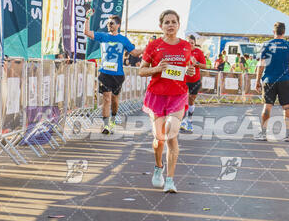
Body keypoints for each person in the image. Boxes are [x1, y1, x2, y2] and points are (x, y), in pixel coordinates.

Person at [139, 10, 195, 193]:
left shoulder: (187, 47)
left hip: (178, 96)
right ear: (161, 26)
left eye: (173, 22)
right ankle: (158, 167)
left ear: (179, 25)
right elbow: (141, 71)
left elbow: (189, 69)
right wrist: (156, 68)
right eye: (167, 22)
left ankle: (170, 180)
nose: (170, 25)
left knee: (171, 134)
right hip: (157, 95)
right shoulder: (154, 46)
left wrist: (190, 72)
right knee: (159, 139)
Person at [84, 12, 143, 134]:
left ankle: (114, 117)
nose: (108, 25)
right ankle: (106, 126)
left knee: (115, 100)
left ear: (118, 25)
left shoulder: (123, 39)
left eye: (111, 23)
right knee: (106, 99)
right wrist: (87, 18)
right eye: (107, 23)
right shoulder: (103, 36)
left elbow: (135, 53)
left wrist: (148, 48)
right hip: (105, 73)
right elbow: (87, 32)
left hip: (118, 75)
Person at [254, 22, 289, 142]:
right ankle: (288, 135)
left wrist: (257, 81)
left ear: (273, 31)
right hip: (285, 80)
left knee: (267, 106)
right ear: (284, 32)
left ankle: (263, 134)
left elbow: (261, 64)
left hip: (269, 80)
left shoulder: (266, 45)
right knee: (286, 107)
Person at [180, 34, 207, 133]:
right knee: (183, 100)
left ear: (195, 43)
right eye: (188, 42)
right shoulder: (182, 51)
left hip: (195, 81)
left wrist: (197, 64)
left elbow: (205, 66)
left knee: (191, 100)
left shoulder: (198, 52)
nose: (190, 44)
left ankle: (190, 121)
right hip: (184, 80)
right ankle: (183, 121)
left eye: (192, 43)